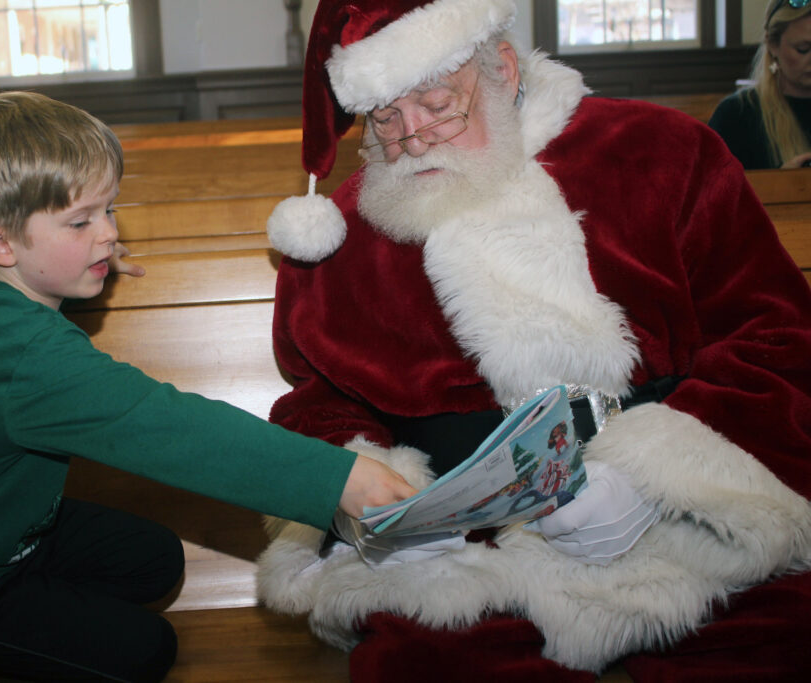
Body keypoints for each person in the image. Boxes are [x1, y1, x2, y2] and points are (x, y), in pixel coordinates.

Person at [256, 0, 811, 681]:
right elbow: (317, 399)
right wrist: (369, 500)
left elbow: (775, 335)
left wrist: (655, 478)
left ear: (503, 70)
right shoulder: (342, 234)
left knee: (777, 640)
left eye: (438, 105)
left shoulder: (660, 153)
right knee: (423, 663)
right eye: (387, 120)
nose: (414, 139)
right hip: (470, 555)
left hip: (687, 514)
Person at [0, 91, 417, 683]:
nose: (106, 233)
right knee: (145, 650)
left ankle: (17, 631)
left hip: (1, 534)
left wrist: (81, 258)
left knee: (152, 562)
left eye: (109, 211)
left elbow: (39, 289)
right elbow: (173, 429)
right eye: (81, 222)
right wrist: (337, 479)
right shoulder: (20, 356)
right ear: (1, 244)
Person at [708, 0, 811, 169]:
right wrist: (783, 185)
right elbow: (715, 191)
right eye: (803, 49)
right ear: (773, 45)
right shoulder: (736, 115)